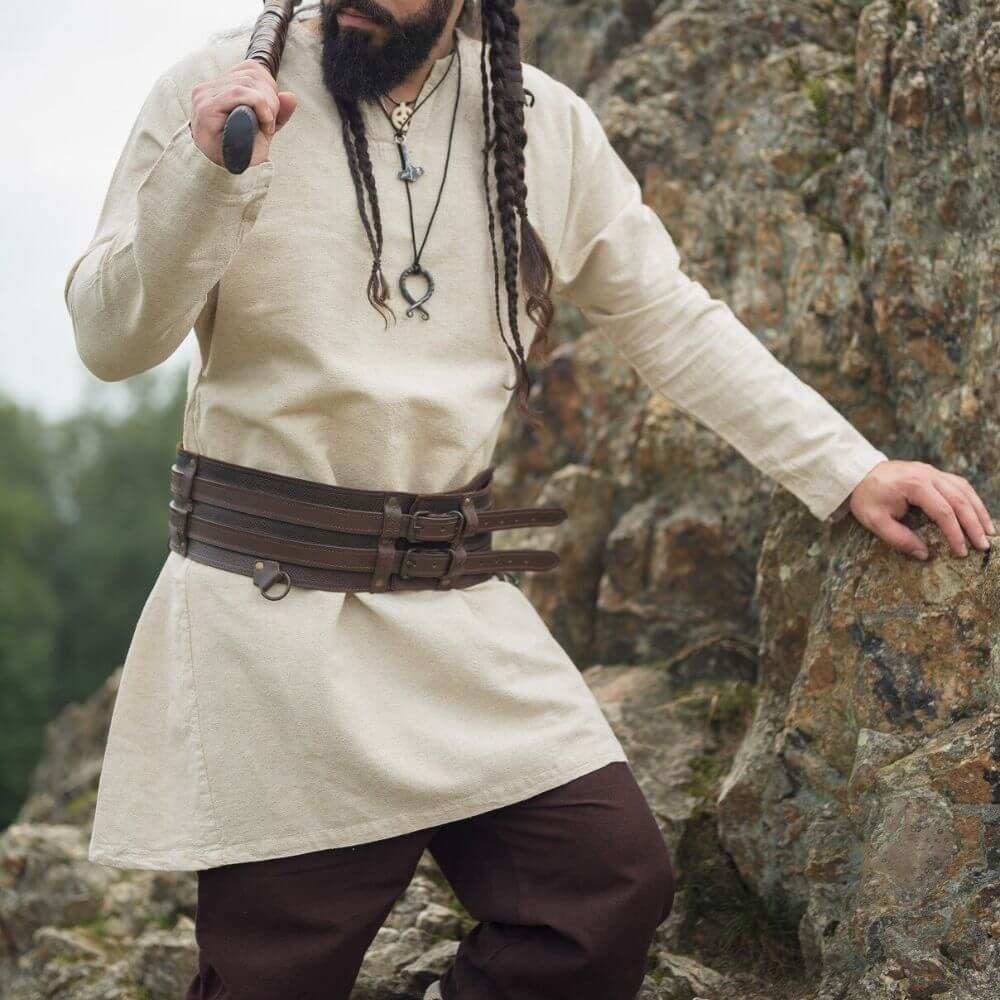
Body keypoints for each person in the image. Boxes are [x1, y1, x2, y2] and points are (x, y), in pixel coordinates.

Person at [63, 0, 994, 997]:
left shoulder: (539, 123)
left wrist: (845, 466)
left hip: (457, 617)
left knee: (601, 889)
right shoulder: (217, 95)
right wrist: (206, 175)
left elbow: (669, 316)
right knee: (275, 975)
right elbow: (110, 340)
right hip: (274, 622)